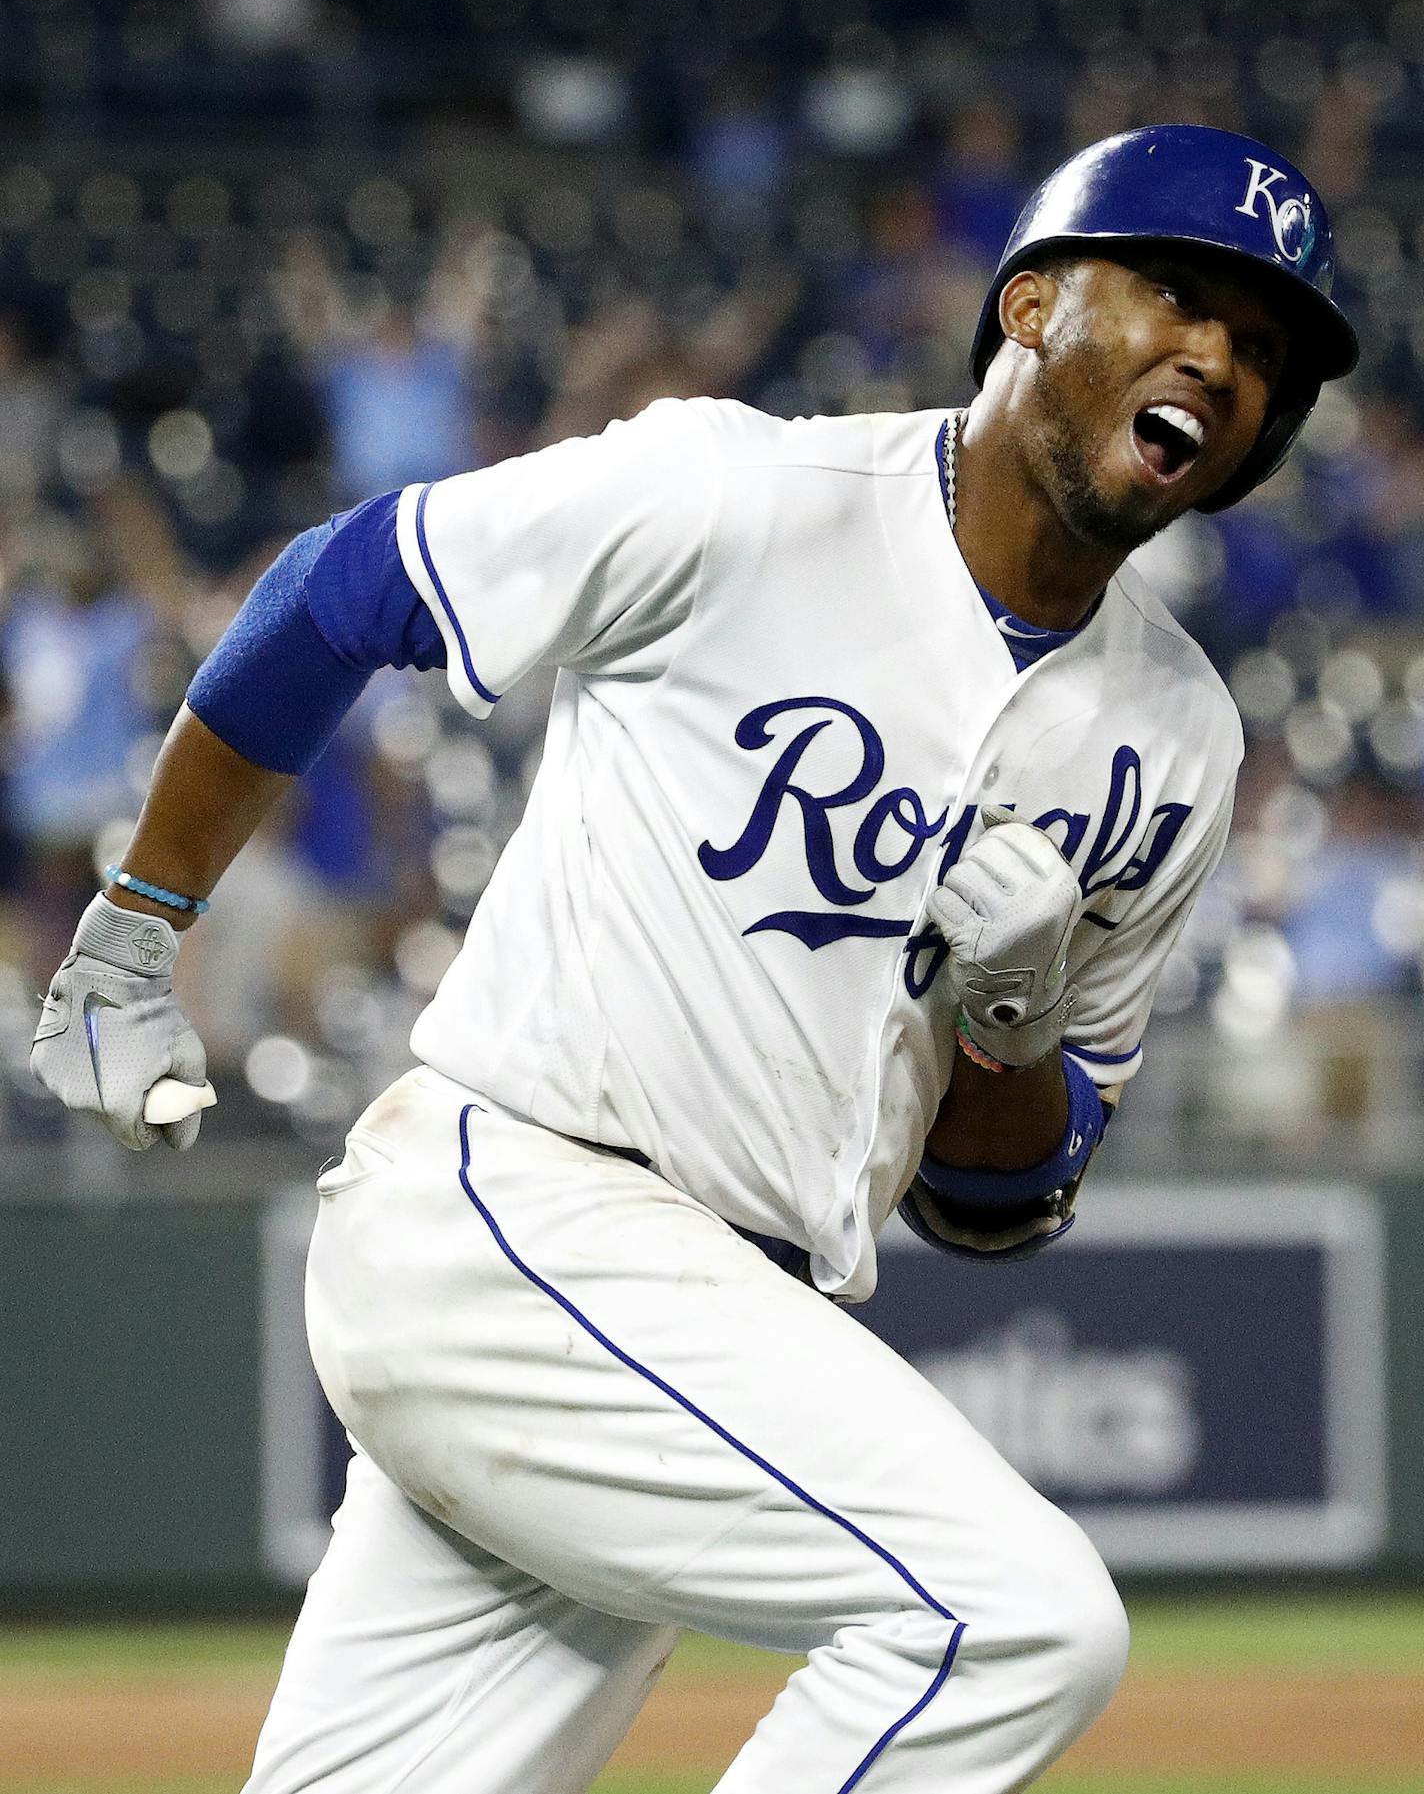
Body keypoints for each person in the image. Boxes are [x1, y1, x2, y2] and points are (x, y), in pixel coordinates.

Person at [32, 126, 1356, 1793]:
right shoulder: (745, 491)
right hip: (524, 1215)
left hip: (707, 1317)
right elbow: (346, 583)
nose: (1221, 358)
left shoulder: (1176, 742)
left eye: (1267, 348)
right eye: (1176, 290)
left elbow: (999, 1202)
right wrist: (140, 922)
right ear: (1028, 303)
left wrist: (1007, 1023)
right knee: (1016, 1622)